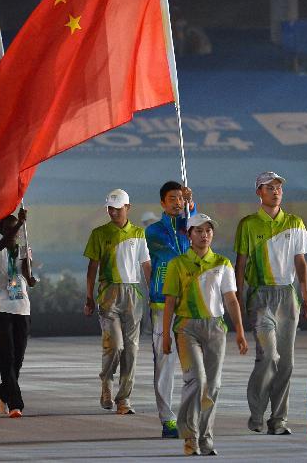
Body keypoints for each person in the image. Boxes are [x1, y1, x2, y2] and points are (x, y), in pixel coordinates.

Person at [162, 213, 247, 456]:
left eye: (208, 230)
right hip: (186, 328)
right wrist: (167, 336)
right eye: (198, 231)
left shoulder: (222, 263)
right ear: (189, 235)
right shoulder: (178, 264)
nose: (204, 235)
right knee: (196, 381)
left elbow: (231, 299)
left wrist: (240, 331)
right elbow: (169, 302)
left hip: (216, 329)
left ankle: (206, 437)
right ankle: (190, 437)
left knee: (212, 386)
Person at [234, 171, 307, 435]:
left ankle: (278, 420)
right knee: (268, 356)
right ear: (259, 192)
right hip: (261, 296)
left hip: (287, 297)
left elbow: (300, 262)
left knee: (286, 362)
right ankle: (257, 414)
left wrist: (305, 296)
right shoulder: (248, 224)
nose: (276, 191)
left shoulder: (295, 222)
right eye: (270, 187)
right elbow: (241, 263)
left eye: (278, 187)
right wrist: (236, 297)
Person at [84, 189, 151, 414]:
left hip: (133, 294)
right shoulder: (99, 233)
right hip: (108, 293)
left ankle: (123, 399)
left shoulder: (139, 234)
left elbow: (146, 265)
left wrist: (154, 295)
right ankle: (106, 382)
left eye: (117, 208)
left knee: (131, 349)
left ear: (127, 208)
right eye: (110, 208)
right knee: (115, 346)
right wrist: (89, 296)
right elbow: (92, 267)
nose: (113, 212)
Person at [145, 182, 196, 438]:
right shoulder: (152, 233)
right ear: (163, 203)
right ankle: (168, 420)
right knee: (165, 362)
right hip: (162, 305)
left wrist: (192, 205)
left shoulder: (191, 227)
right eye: (172, 198)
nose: (177, 202)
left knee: (193, 364)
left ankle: (190, 416)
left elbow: (199, 231)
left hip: (191, 304)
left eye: (180, 198)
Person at [0, 209, 35, 417]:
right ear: (1, 230)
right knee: (7, 355)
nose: (12, 232)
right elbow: (4, 242)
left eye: (14, 228)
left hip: (21, 306)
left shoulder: (24, 249)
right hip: (1, 305)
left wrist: (32, 278)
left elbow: (27, 275)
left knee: (19, 356)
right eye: (7, 229)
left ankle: (3, 390)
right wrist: (19, 223)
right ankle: (16, 403)